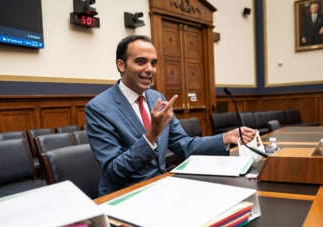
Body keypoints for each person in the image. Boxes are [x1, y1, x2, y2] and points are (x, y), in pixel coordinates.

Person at [85, 35, 257, 196]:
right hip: (125, 194)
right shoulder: (99, 108)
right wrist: (152, 134)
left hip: (161, 186)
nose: (150, 69)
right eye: (141, 62)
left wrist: (224, 138)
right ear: (121, 65)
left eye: (153, 63)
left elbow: (184, 145)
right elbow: (114, 170)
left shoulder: (156, 98)